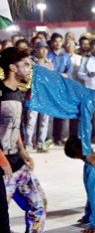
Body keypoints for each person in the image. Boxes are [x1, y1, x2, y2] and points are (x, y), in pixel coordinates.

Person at [27, 65, 95, 233]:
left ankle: (92, 217)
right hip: (47, 81)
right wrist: (87, 154)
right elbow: (84, 126)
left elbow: (83, 128)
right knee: (94, 171)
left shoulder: (93, 99)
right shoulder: (92, 99)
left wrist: (88, 152)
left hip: (51, 81)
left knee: (94, 172)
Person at [0, 47, 45, 233]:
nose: (29, 68)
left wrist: (24, 152)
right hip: (2, 168)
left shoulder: (18, 93)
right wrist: (2, 161)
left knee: (38, 208)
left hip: (17, 162)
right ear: (12, 67)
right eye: (25, 64)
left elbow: (15, 126)